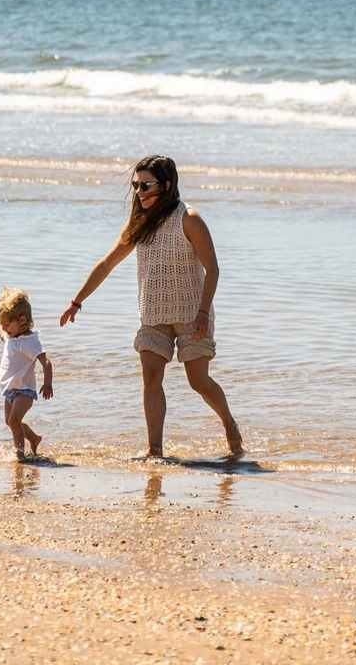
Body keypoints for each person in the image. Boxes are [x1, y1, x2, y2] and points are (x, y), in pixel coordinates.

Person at [59, 155, 245, 459]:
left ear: (167, 185)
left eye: (146, 185)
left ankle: (229, 422)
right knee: (150, 376)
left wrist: (202, 313)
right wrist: (76, 301)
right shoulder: (139, 223)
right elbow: (107, 263)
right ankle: (154, 449)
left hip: (191, 314)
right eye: (135, 185)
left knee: (198, 382)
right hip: (153, 316)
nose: (139, 192)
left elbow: (213, 269)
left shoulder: (189, 218)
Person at [0, 287, 53, 461]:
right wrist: (0, 317)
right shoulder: (10, 337)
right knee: (11, 422)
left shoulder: (30, 341)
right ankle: (34, 438)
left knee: (14, 421)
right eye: (3, 325)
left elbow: (46, 360)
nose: (5, 329)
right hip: (10, 390)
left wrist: (48, 383)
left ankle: (20, 456)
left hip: (24, 391)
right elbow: (0, 331)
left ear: (21, 320)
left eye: (8, 325)